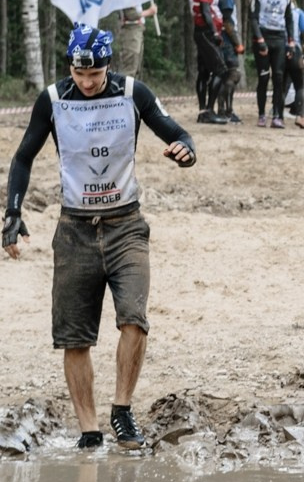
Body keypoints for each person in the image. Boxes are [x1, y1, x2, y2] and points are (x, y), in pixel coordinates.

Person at [3, 24, 196, 450]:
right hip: (74, 230)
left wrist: (186, 152)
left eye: (95, 75)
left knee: (134, 319)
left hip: (126, 225)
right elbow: (22, 158)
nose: (88, 83)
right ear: (70, 66)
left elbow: (179, 135)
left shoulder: (132, 93)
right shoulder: (53, 100)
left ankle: (122, 410)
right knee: (74, 337)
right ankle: (89, 431)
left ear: (109, 65)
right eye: (79, 74)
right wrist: (12, 213)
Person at [250, 0, 296, 128]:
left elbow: (289, 19)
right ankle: (261, 115)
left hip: (279, 39)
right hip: (262, 37)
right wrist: (260, 39)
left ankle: (278, 115)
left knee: (278, 78)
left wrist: (291, 42)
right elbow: (253, 18)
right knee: (263, 78)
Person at [189, 0, 229, 125]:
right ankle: (208, 110)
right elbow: (206, 10)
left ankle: (203, 110)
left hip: (202, 32)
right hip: (206, 32)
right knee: (220, 70)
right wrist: (214, 33)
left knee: (204, 71)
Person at [281, 0, 304, 128]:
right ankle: (299, 115)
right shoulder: (297, 10)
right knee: (299, 84)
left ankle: (277, 115)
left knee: (282, 83)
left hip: (279, 48)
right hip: (295, 48)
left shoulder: (276, 4)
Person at [215, 0, 245, 124]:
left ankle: (223, 111)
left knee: (225, 76)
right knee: (232, 75)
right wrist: (237, 43)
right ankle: (227, 111)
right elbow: (227, 23)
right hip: (226, 42)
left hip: (222, 41)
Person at [113, 4, 158, 80]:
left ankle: (132, 90)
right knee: (129, 68)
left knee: (136, 67)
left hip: (137, 30)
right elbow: (131, 14)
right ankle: (124, 91)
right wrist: (149, 11)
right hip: (130, 31)